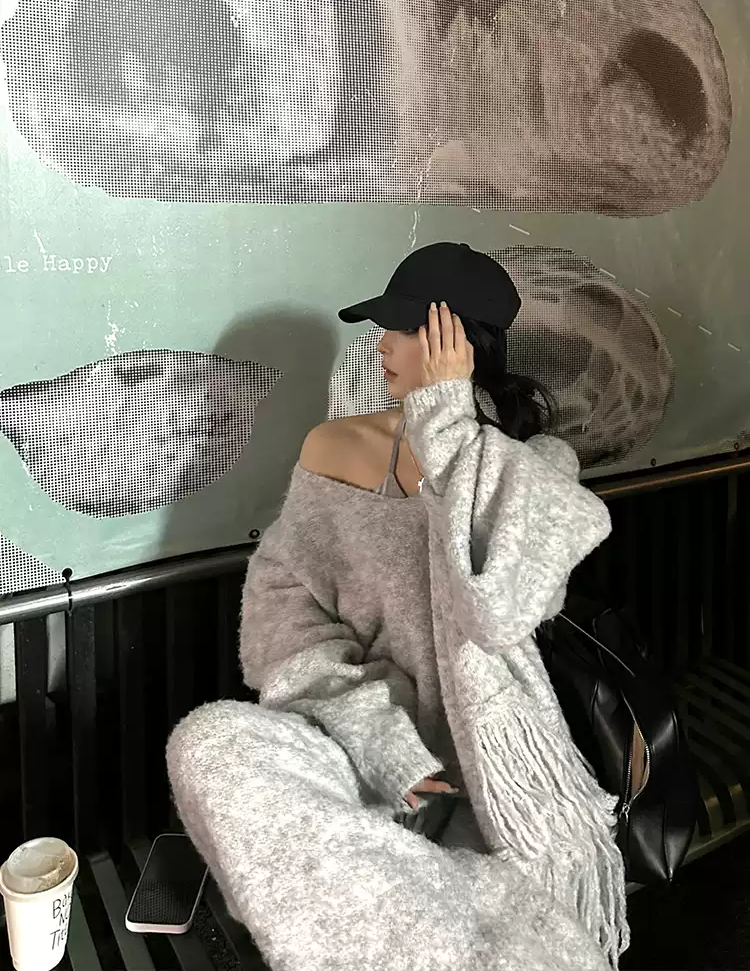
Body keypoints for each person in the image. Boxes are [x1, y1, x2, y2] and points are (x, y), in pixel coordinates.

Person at [167, 242, 629, 971]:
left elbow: (496, 611)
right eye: (383, 327)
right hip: (354, 732)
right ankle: (455, 919)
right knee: (209, 741)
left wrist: (444, 424)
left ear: (459, 343)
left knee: (475, 876)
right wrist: (376, 735)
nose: (382, 344)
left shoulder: (535, 466)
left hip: (486, 764)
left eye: (407, 328)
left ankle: (478, 927)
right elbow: (284, 610)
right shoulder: (334, 448)